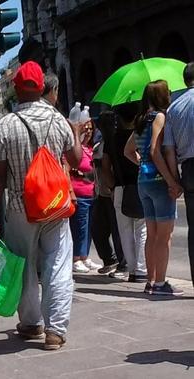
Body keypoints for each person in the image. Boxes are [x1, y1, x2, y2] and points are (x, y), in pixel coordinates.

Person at [0, 61, 82, 350]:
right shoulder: (58, 119)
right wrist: (75, 133)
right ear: (42, 87)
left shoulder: (4, 126)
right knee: (59, 264)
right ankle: (56, 330)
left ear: (15, 89)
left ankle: (31, 323)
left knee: (24, 266)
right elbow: (76, 161)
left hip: (19, 206)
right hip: (55, 204)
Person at [125, 80, 183, 296]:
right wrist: (171, 181)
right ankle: (160, 283)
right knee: (164, 236)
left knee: (151, 233)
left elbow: (128, 151)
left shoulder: (140, 120)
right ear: (161, 96)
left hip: (143, 181)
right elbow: (156, 151)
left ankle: (150, 280)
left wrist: (142, 164)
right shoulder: (159, 117)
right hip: (159, 181)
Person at [102, 102, 147, 282]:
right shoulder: (139, 135)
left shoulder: (111, 139)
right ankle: (142, 269)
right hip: (139, 185)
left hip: (120, 189)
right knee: (141, 229)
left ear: (118, 118)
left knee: (125, 231)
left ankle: (132, 270)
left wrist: (112, 186)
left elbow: (105, 166)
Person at [164, 62, 194, 287]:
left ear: (185, 81)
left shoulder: (174, 108)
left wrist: (175, 178)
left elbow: (169, 149)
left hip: (189, 169)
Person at [92, 111, 124, 274]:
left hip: (111, 192)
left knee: (118, 230)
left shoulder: (116, 142)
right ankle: (110, 259)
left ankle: (122, 263)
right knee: (98, 229)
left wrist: (112, 187)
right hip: (100, 193)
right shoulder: (100, 144)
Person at [69, 120, 102, 273]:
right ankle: (76, 258)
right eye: (85, 128)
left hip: (91, 193)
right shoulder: (75, 149)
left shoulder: (90, 148)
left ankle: (84, 256)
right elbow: (68, 170)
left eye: (91, 129)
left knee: (89, 227)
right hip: (79, 193)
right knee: (79, 228)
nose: (88, 132)